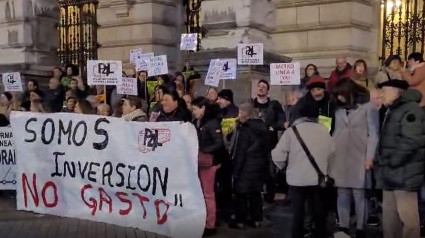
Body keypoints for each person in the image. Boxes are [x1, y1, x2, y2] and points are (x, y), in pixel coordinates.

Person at [272, 102, 333, 238]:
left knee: (298, 214)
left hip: (296, 179)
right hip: (318, 178)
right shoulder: (324, 130)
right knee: (319, 212)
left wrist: (282, 166)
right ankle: (320, 233)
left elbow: (277, 155)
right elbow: (332, 153)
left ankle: (298, 234)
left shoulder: (291, 132)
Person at [375, 79, 425, 238]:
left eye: (385, 91)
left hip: (404, 173)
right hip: (389, 173)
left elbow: (412, 140)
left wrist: (392, 161)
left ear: (397, 92)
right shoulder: (392, 109)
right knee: (390, 218)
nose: (381, 94)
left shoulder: (411, 110)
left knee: (408, 219)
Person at [329, 78, 379, 238]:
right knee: (342, 192)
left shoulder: (368, 107)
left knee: (359, 193)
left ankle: (360, 227)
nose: (339, 98)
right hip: (340, 155)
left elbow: (373, 134)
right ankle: (343, 225)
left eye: (341, 95)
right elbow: (333, 130)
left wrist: (369, 157)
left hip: (360, 155)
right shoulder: (337, 109)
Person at [229, 101, 269, 230]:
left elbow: (241, 151)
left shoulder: (245, 129)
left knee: (241, 195)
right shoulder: (262, 127)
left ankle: (240, 221)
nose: (239, 114)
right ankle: (256, 219)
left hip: (245, 167)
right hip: (258, 167)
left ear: (246, 113)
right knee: (255, 194)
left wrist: (236, 170)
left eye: (241, 112)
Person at [191, 97, 225, 237]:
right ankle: (203, 220)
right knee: (202, 194)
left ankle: (210, 224)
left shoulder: (212, 124)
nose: (192, 112)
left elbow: (219, 143)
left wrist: (204, 149)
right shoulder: (197, 122)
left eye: (194, 109)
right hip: (199, 162)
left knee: (208, 195)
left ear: (203, 109)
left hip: (209, 164)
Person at [252, 79, 286, 203]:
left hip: (270, 144)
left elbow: (283, 123)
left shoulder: (274, 105)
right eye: (259, 86)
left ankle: (270, 195)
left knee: (270, 171)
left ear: (267, 91)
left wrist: (274, 127)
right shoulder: (251, 104)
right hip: (253, 143)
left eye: (264, 86)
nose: (261, 88)